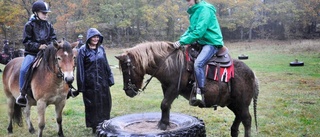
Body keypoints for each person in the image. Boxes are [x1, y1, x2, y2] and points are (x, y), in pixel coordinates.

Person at [172, 0, 224, 107]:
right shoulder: (194, 11)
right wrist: (181, 40)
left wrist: (182, 42)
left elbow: (199, 31)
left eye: (189, 0)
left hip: (211, 42)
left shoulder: (205, 10)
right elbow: (191, 29)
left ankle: (200, 92)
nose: (188, 2)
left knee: (198, 63)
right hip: (201, 41)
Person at [16, 0, 57, 106]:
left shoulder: (49, 25)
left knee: (60, 64)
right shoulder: (29, 25)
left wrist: (51, 45)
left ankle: (66, 90)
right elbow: (26, 42)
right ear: (36, 12)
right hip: (32, 53)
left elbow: (53, 38)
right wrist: (38, 46)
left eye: (46, 13)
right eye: (44, 13)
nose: (46, 15)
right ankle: (22, 94)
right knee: (24, 69)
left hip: (47, 53)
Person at [76, 28, 114, 134]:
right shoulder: (82, 50)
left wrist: (110, 78)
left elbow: (106, 64)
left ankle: (105, 124)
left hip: (103, 82)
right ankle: (95, 126)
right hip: (90, 84)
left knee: (106, 103)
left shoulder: (101, 49)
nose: (96, 39)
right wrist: (81, 86)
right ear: (89, 38)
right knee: (93, 105)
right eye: (94, 37)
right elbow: (80, 69)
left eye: (97, 37)